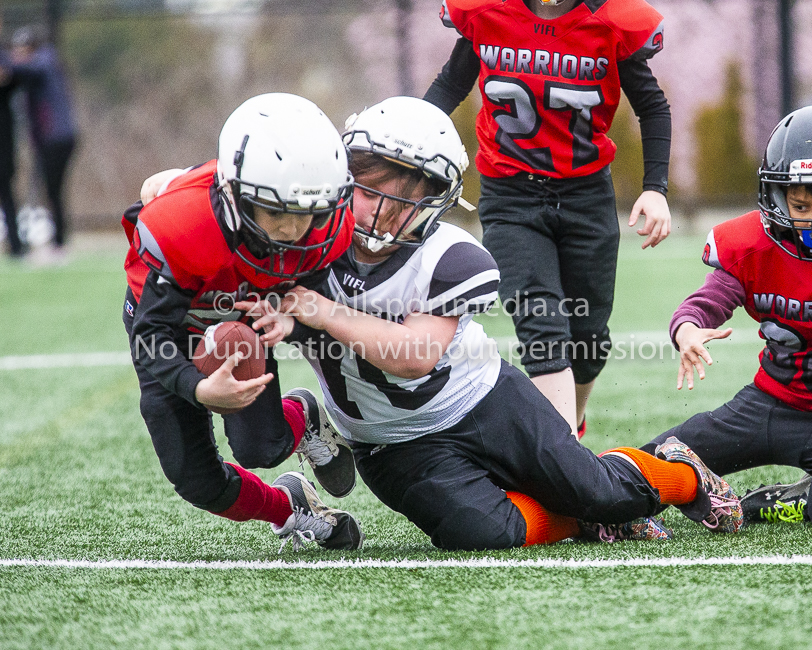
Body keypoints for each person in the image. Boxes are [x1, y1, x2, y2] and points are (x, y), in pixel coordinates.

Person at [233, 97, 740, 551]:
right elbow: (251, 176)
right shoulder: (299, 238)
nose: (384, 214)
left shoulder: (449, 256)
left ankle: (680, 473)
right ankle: (579, 521)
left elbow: (415, 359)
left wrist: (318, 310)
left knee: (599, 491)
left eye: (409, 195)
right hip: (388, 442)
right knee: (478, 533)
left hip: (481, 401)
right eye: (372, 188)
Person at [422, 0, 673, 438]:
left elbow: (652, 107)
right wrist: (405, 149)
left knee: (589, 339)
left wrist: (655, 188)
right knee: (542, 324)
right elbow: (448, 87)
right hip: (510, 194)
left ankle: (569, 432)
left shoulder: (612, 22)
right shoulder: (487, 12)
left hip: (586, 194)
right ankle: (561, 465)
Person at [124, 93, 363, 552]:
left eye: (306, 212)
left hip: (241, 317)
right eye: (276, 211)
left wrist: (291, 321)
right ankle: (290, 506)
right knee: (197, 481)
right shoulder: (184, 224)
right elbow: (150, 334)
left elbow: (322, 311)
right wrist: (196, 388)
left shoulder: (326, 225)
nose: (294, 231)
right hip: (172, 328)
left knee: (263, 448)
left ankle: (304, 416)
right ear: (234, 194)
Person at [640, 106, 812, 527]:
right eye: (800, 202)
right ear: (777, 195)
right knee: (648, 465)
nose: (809, 217)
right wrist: (687, 332)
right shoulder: (754, 246)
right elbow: (704, 303)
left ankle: (771, 506)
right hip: (765, 403)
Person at [10, 25, 77, 260]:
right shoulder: (43, 62)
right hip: (52, 138)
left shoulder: (43, 61)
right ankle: (56, 241)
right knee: (50, 189)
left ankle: (59, 243)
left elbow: (21, 69)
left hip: (55, 137)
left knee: (52, 190)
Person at [0, 22, 22, 258]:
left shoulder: (7, 61)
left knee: (7, 191)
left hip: (4, 143)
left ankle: (15, 244)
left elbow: (13, 77)